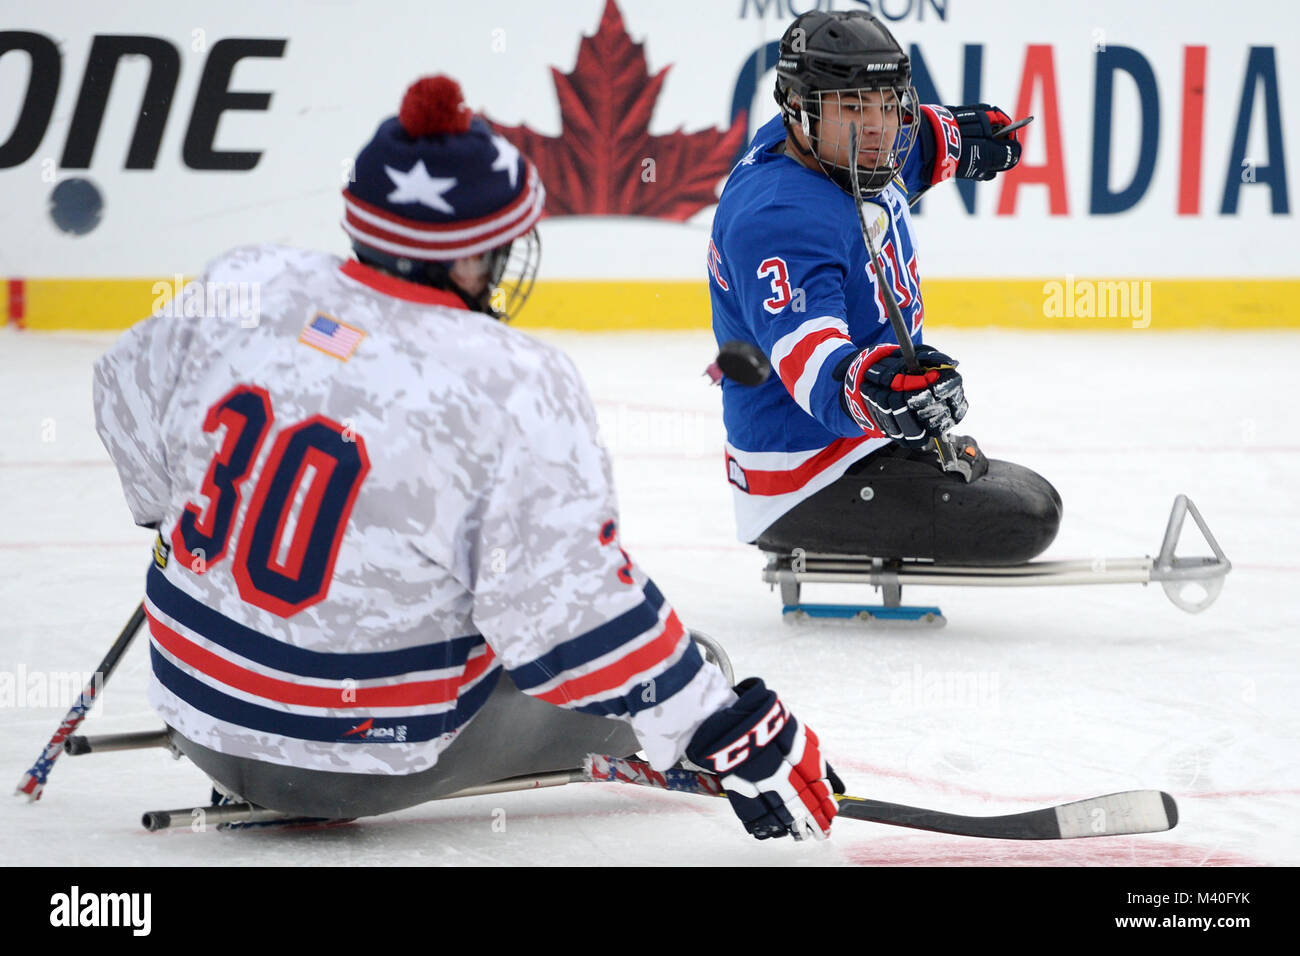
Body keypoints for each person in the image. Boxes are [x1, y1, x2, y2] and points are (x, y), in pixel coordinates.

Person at [92, 76, 839, 841]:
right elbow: (576, 612)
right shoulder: (509, 381)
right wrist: (718, 721)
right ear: (472, 261)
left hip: (190, 700)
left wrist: (172, 514)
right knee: (681, 659)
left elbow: (118, 386)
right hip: (352, 758)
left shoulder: (246, 280)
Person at [709, 11, 1061, 565]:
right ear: (798, 112)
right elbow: (811, 360)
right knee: (1027, 517)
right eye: (854, 108)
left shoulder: (835, 149)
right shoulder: (778, 218)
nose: (878, 127)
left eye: (886, 103)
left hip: (860, 440)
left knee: (1028, 501)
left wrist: (946, 139)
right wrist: (872, 385)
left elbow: (904, 152)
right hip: (804, 472)